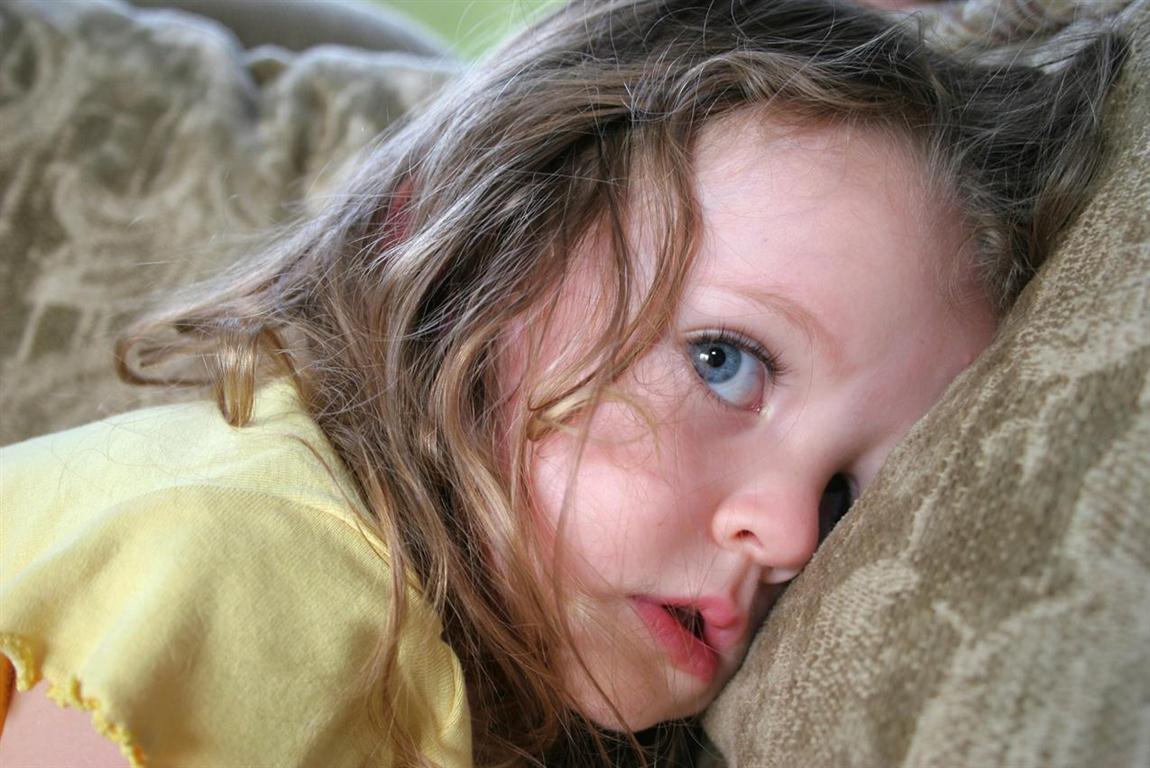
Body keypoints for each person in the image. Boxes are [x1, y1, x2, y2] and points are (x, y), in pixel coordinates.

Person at [0, 0, 1126, 765]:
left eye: (842, 494)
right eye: (725, 360)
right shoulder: (274, 575)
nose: (789, 535)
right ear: (473, 249)